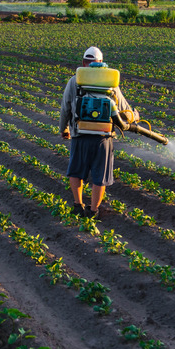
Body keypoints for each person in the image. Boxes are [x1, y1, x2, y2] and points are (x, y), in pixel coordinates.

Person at [60, 46, 137, 219]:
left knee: (76, 171)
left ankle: (77, 204)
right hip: (103, 138)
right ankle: (93, 210)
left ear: (83, 63)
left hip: (80, 134)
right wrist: (135, 117)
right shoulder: (110, 82)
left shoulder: (75, 81)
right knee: (100, 175)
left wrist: (64, 129)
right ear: (102, 63)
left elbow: (65, 108)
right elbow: (125, 110)